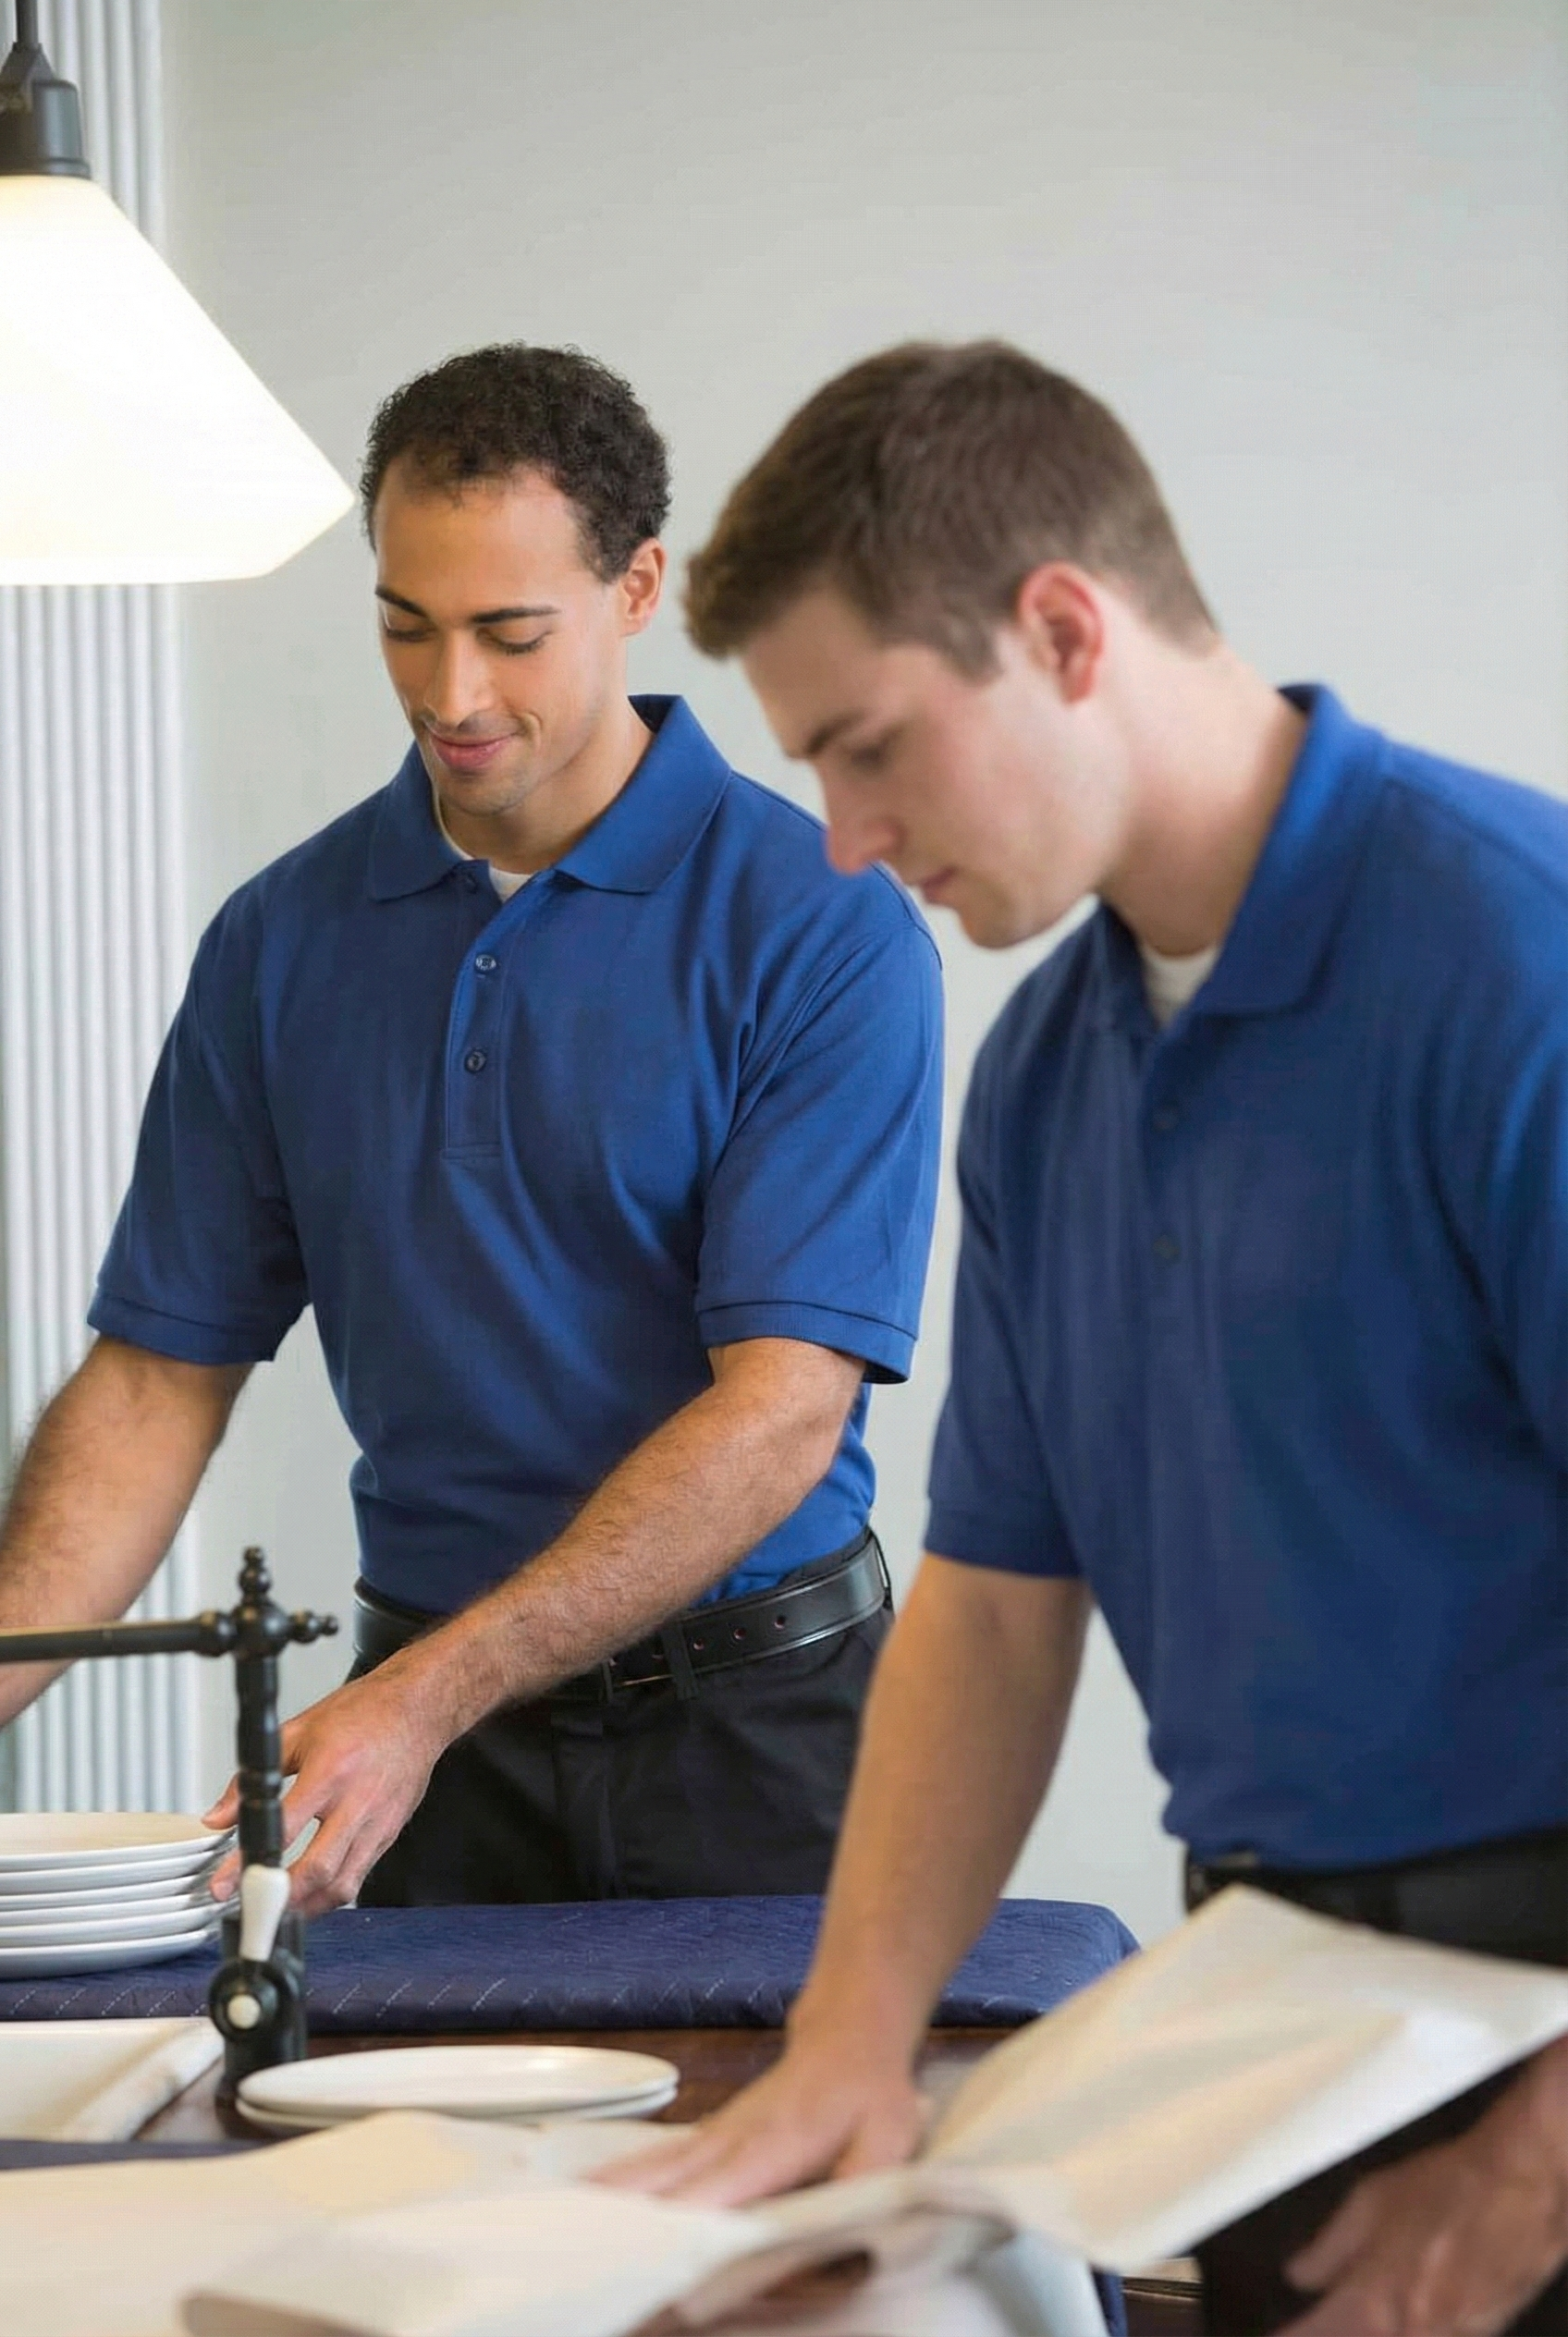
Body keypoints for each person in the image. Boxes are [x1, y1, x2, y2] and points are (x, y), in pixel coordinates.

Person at [611, 342, 1568, 2337]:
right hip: (1280, 2012)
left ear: (1060, 628)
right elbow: (987, 1605)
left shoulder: (1510, 964)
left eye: (866, 746)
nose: (845, 841)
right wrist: (848, 2041)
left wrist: (1538, 2155)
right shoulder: (1043, 1076)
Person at [0, 344, 943, 1916]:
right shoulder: (280, 940)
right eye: (404, 625)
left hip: (759, 1739)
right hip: (423, 1756)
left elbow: (779, 1412)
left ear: (638, 586)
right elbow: (161, 1378)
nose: (453, 697)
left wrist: (428, 1695)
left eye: (512, 634)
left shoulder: (821, 926)